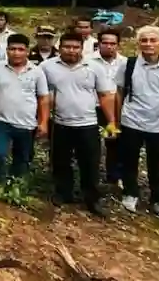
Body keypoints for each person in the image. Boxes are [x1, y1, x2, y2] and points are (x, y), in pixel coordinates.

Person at [40, 32, 115, 217]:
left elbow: (105, 96)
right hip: (60, 123)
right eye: (67, 47)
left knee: (90, 162)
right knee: (60, 161)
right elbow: (42, 96)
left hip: (88, 124)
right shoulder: (47, 67)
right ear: (59, 48)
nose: (71, 50)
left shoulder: (95, 67)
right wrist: (42, 121)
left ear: (82, 48)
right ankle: (63, 193)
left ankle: (92, 198)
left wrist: (112, 122)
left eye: (75, 47)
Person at [115, 26, 159, 224]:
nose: (148, 44)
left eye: (153, 40)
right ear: (138, 43)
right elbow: (119, 92)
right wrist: (117, 118)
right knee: (129, 160)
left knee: (157, 164)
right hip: (132, 120)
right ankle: (130, 193)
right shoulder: (129, 64)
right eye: (144, 40)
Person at [0, 34, 49, 185]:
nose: (16, 53)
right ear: (7, 50)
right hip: (1, 120)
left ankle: (16, 186)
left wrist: (43, 122)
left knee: (22, 159)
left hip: (26, 123)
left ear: (27, 51)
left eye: (20, 49)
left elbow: (43, 98)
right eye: (12, 49)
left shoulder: (37, 72)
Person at [92, 29, 127, 186]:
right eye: (105, 43)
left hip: (116, 108)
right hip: (94, 108)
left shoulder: (125, 63)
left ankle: (113, 176)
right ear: (98, 43)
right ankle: (92, 175)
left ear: (118, 45)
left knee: (114, 142)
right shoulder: (88, 61)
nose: (109, 46)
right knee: (92, 144)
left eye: (113, 43)